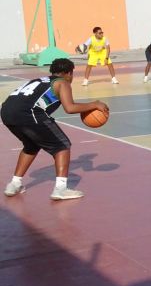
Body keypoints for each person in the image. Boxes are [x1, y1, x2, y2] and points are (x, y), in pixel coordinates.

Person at [2, 58, 109, 200]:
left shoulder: (39, 80)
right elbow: (69, 108)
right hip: (29, 113)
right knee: (62, 146)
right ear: (68, 73)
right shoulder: (62, 82)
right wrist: (94, 104)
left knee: (31, 145)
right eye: (72, 74)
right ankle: (60, 189)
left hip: (6, 112)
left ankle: (14, 184)